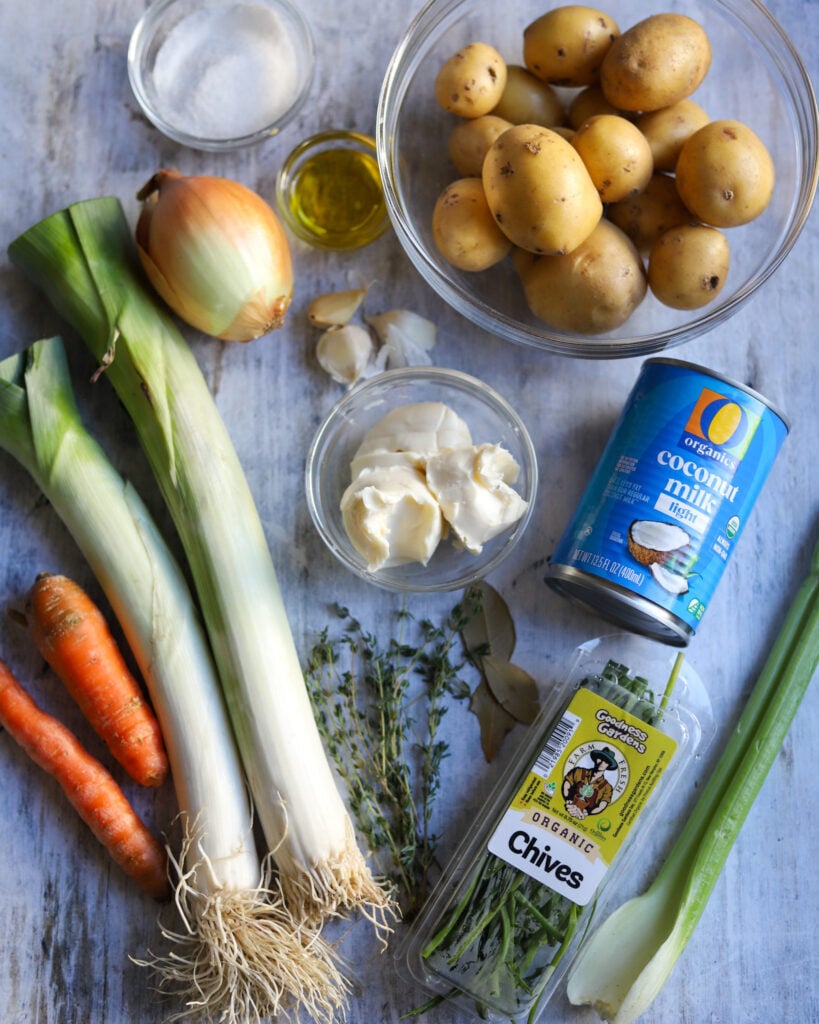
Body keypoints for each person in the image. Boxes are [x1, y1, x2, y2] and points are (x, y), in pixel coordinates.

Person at [562, 747, 617, 819]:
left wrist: (588, 812)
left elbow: (602, 805)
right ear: (596, 759)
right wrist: (568, 800)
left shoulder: (607, 787)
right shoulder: (578, 771)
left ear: (608, 765)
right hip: (569, 805)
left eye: (606, 762)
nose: (602, 763)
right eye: (600, 759)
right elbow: (567, 784)